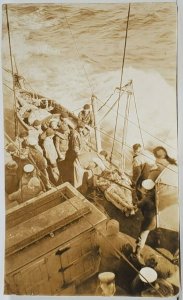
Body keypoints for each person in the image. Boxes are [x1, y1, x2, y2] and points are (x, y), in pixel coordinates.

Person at [134, 179, 156, 260]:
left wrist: (138, 200)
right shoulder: (155, 195)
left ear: (147, 189)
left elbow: (138, 205)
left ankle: (137, 254)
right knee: (144, 235)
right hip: (153, 220)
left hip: (148, 222)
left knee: (142, 237)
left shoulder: (146, 200)